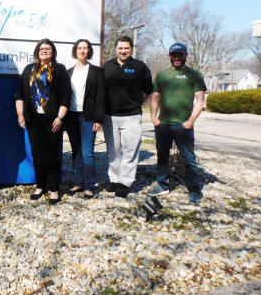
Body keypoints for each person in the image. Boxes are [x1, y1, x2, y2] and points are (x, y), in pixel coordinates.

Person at [149, 42, 207, 204]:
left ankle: (194, 189)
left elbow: (200, 100)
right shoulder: (162, 75)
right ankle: (162, 185)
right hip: (164, 125)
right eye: (174, 55)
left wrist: (191, 121)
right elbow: (155, 97)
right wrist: (154, 118)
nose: (177, 58)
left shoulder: (194, 75)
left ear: (185, 55)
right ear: (169, 56)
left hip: (183, 125)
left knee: (189, 158)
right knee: (162, 156)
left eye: (180, 55)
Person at [16, 39, 71, 204]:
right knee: (37, 153)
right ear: (37, 51)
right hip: (33, 120)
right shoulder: (29, 69)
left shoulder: (59, 69)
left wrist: (60, 118)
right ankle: (40, 186)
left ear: (53, 52)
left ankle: (54, 189)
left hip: (52, 120)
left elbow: (66, 96)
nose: (44, 51)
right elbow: (20, 94)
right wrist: (20, 114)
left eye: (48, 48)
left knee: (52, 154)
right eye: (42, 48)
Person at [103, 36, 153, 198]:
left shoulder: (140, 67)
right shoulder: (107, 66)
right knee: (113, 150)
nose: (123, 51)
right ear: (115, 49)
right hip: (110, 116)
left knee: (130, 151)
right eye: (120, 48)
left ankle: (125, 182)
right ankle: (114, 179)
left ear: (131, 49)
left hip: (132, 116)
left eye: (126, 48)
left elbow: (148, 89)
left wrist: (136, 103)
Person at [65, 39, 105, 199]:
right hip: (71, 116)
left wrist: (98, 119)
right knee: (76, 151)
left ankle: (89, 186)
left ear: (89, 51)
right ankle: (78, 182)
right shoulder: (68, 72)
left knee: (88, 153)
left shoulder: (96, 71)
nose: (82, 51)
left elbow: (101, 97)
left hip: (88, 117)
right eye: (79, 48)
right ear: (75, 51)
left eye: (85, 48)